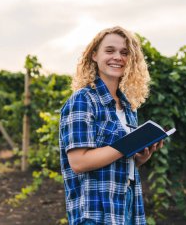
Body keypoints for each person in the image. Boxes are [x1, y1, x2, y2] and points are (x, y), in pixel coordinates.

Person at [59, 26, 164, 225]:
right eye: (110, 50)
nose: (118, 57)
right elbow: (79, 162)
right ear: (94, 55)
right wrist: (127, 145)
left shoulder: (128, 107)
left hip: (127, 201)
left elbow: (119, 162)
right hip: (96, 209)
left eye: (124, 53)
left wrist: (141, 157)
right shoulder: (83, 100)